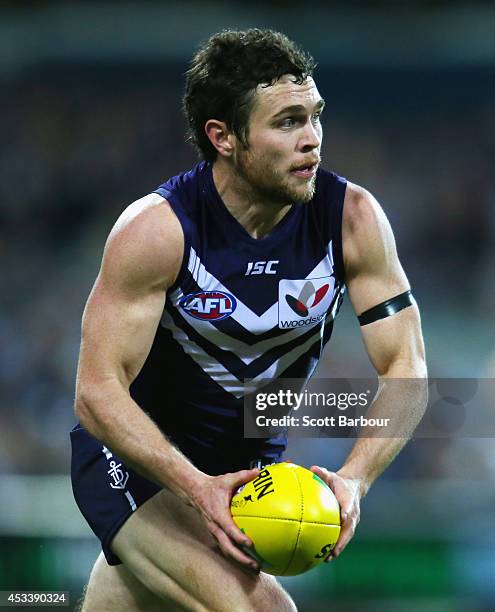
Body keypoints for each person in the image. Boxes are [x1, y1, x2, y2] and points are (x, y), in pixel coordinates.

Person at [71, 28, 427, 611]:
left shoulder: (353, 220)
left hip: (245, 477)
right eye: (287, 123)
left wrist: (356, 479)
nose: (312, 140)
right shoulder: (158, 231)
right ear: (224, 137)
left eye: (315, 117)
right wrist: (197, 487)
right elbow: (95, 393)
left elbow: (406, 368)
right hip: (137, 467)